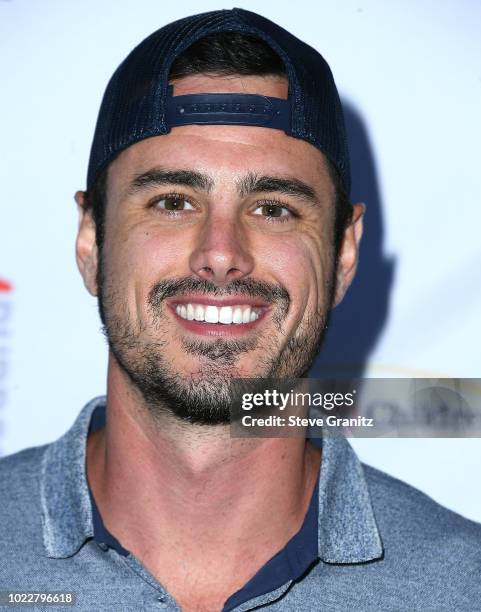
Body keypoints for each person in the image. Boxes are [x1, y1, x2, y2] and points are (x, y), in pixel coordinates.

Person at [0, 8, 480, 611]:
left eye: (274, 208)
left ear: (345, 254)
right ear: (92, 241)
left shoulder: (465, 586)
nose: (221, 254)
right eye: (173, 201)